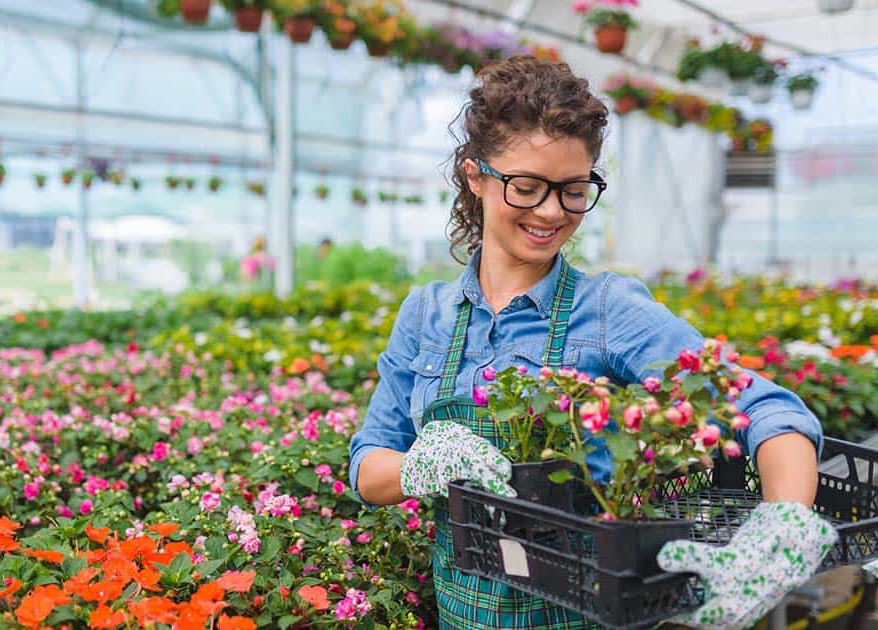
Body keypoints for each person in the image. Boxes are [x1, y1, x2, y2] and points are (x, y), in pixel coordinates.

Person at [347, 56, 835, 630]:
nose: (552, 212)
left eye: (574, 190)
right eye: (526, 187)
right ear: (475, 175)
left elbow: (762, 407)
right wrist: (416, 467)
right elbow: (367, 465)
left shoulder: (606, 310)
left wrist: (783, 524)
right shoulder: (426, 316)